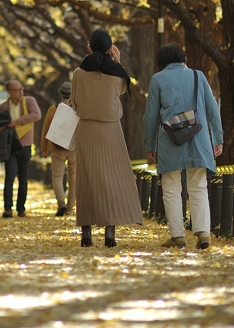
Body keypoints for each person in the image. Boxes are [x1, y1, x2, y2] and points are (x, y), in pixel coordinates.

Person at [144, 43, 224, 250]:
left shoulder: (157, 79)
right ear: (183, 59)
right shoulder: (198, 76)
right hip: (198, 138)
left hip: (170, 140)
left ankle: (177, 236)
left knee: (171, 188)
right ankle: (203, 233)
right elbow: (212, 110)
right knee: (198, 186)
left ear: (161, 63)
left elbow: (151, 116)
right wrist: (217, 138)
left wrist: (150, 144)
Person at [68, 28, 143, 247]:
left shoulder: (79, 73)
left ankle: (86, 233)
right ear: (111, 49)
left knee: (87, 180)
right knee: (112, 179)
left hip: (87, 129)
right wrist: (118, 62)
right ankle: (110, 232)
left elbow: (74, 99)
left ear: (89, 47)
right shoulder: (116, 73)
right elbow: (121, 90)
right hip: (112, 130)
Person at [0, 79, 41, 217]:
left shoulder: (29, 101)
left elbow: (36, 115)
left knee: (23, 178)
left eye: (22, 89)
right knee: (9, 177)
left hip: (26, 145)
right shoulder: (4, 106)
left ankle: (21, 208)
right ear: (9, 92)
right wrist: (7, 128)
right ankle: (7, 208)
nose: (21, 92)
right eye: (17, 90)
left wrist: (16, 122)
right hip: (10, 147)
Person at [41, 80, 77, 217]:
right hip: (73, 147)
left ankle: (61, 203)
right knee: (73, 179)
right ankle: (70, 207)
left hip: (56, 147)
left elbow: (45, 130)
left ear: (60, 94)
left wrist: (44, 148)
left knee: (57, 176)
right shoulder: (77, 108)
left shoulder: (53, 109)